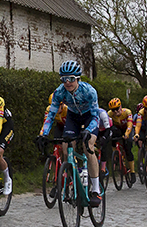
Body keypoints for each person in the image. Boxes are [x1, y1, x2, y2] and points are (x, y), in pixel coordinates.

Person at [38, 60, 102, 207]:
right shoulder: (59, 92)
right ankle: (74, 177)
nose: (68, 82)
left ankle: (96, 191)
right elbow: (51, 115)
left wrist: (88, 130)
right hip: (73, 117)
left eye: (71, 78)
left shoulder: (89, 91)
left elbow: (95, 116)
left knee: (88, 147)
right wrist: (43, 134)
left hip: (89, 117)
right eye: (64, 79)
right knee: (66, 149)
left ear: (78, 78)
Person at [107, 97, 135, 177]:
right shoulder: (109, 114)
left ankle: (132, 171)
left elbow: (130, 125)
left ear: (121, 107)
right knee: (112, 137)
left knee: (128, 149)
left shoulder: (127, 112)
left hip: (127, 129)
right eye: (113, 110)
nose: (115, 112)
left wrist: (127, 134)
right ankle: (115, 155)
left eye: (117, 109)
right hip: (118, 129)